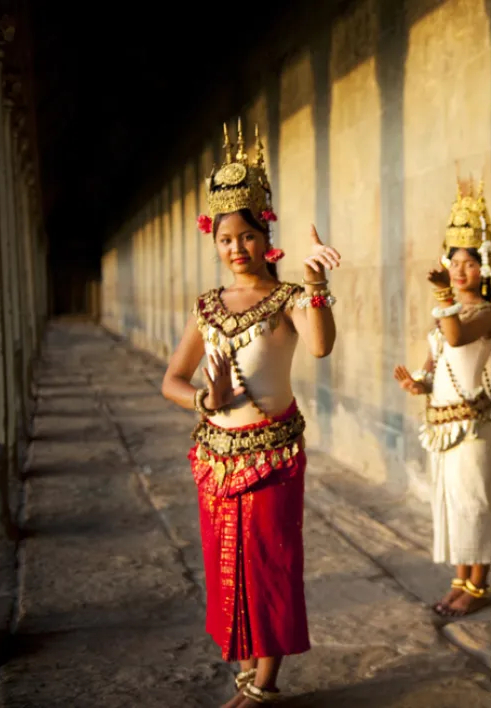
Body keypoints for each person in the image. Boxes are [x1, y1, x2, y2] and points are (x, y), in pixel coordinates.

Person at [161, 121, 341, 706]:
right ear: (213, 241)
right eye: (224, 239)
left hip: (274, 458)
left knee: (270, 567)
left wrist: (314, 285)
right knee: (228, 567)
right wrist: (203, 401)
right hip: (216, 457)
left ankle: (264, 685)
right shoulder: (207, 307)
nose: (236, 248)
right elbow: (171, 380)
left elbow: (320, 346)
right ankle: (247, 674)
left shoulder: (287, 299)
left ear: (267, 236)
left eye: (246, 236)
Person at [394, 180, 491, 617]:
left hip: (474, 426)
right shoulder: (447, 315)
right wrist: (418, 385)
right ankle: (459, 579)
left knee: (475, 502)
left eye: (469, 264)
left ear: (485, 269)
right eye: (454, 262)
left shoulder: (484, 314)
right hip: (442, 425)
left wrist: (443, 297)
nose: (460, 272)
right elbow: (435, 361)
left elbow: (456, 338)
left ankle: (480, 584)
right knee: (452, 503)